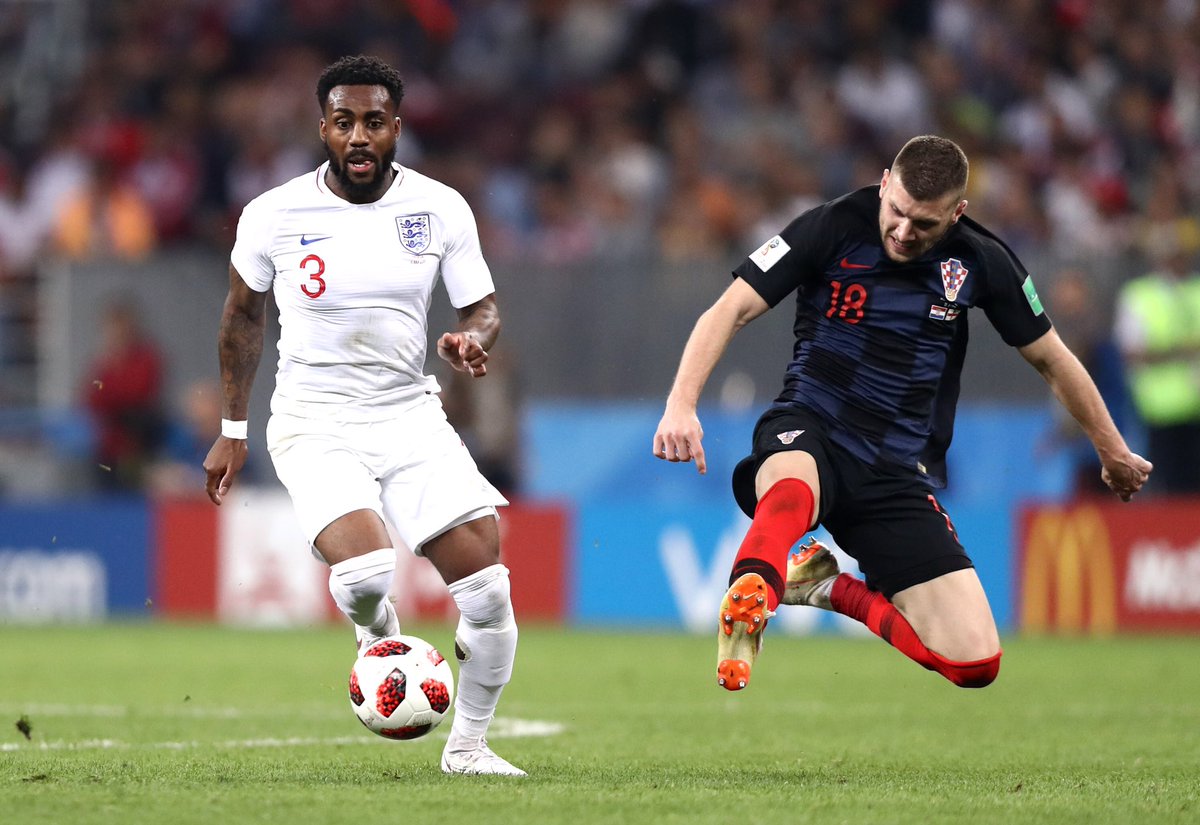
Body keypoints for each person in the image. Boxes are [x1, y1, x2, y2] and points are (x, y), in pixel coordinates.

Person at [653, 135, 1152, 693]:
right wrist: (681, 403)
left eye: (925, 225)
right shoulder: (830, 225)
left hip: (893, 469)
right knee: (789, 492)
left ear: (957, 213)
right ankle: (749, 599)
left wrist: (1112, 451)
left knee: (974, 663)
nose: (904, 232)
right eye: (897, 213)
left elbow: (1054, 359)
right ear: (886, 180)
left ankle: (826, 587)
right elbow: (731, 308)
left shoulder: (982, 260)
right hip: (810, 424)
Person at [203, 55, 525, 776]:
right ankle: (376, 631)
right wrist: (232, 430)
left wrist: (472, 339)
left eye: (373, 122)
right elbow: (241, 320)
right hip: (313, 419)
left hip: (409, 413)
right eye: (343, 122)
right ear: (323, 128)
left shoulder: (441, 208)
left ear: (396, 129)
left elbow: (484, 306)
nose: (358, 136)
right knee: (370, 572)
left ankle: (468, 748)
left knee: (489, 589)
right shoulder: (274, 214)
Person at [1113, 227, 1200, 495]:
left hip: (1194, 407)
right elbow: (1130, 351)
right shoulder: (1139, 295)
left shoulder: (1195, 289)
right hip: (1158, 409)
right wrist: (1180, 351)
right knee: (1168, 487)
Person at [82, 297, 165, 491]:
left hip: (139, 442)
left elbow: (139, 393)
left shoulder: (146, 358)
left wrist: (114, 380)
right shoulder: (104, 362)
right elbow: (91, 398)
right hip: (109, 445)